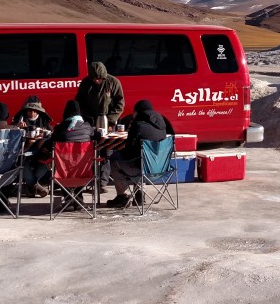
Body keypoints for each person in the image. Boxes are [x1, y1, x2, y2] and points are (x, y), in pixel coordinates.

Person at [106, 99, 174, 208]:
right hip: (161, 169)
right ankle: (139, 196)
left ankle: (122, 197)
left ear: (137, 112)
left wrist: (119, 152)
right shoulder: (162, 125)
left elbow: (129, 150)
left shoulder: (137, 125)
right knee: (142, 160)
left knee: (115, 159)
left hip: (143, 170)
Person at [27, 99, 94, 209]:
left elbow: (50, 143)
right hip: (84, 172)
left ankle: (68, 199)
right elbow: (95, 137)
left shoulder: (60, 128)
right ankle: (78, 199)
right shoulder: (87, 127)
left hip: (63, 174)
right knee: (77, 165)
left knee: (62, 165)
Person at [75, 61, 125, 190]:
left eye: (99, 79)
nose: (97, 81)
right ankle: (91, 180)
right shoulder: (86, 83)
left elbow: (120, 103)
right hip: (90, 122)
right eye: (94, 79)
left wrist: (111, 120)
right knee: (91, 150)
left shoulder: (113, 82)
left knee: (107, 151)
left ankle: (102, 182)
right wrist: (87, 119)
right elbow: (80, 102)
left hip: (108, 121)